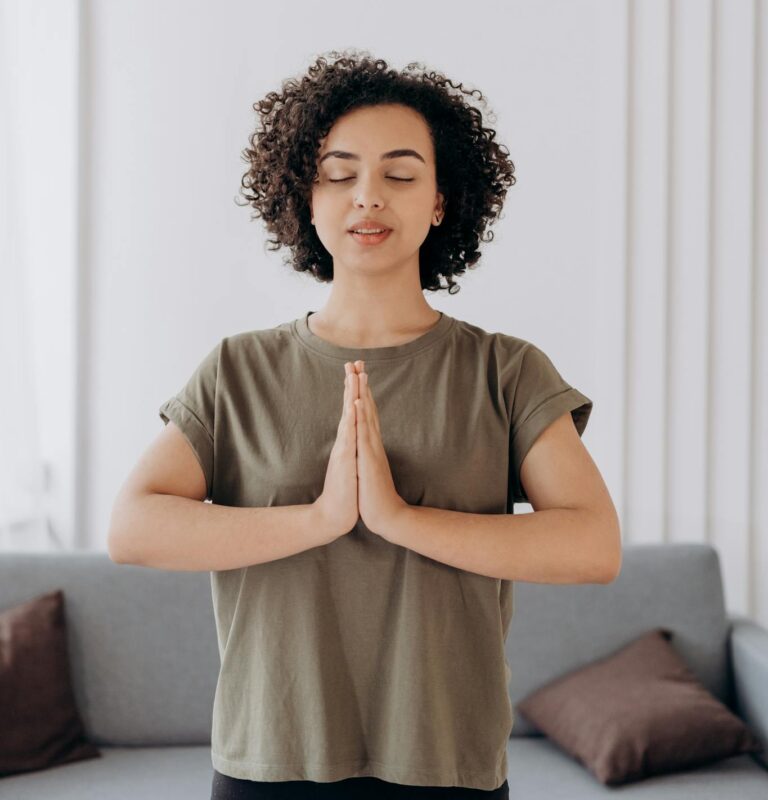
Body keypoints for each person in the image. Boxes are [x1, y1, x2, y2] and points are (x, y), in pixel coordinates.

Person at [108, 50, 621, 800]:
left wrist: (398, 517)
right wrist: (322, 518)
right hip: (267, 763)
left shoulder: (506, 371)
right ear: (305, 199)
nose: (367, 198)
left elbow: (593, 545)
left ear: (442, 201)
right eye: (339, 174)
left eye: (401, 175)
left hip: (447, 765)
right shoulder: (237, 370)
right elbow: (132, 529)